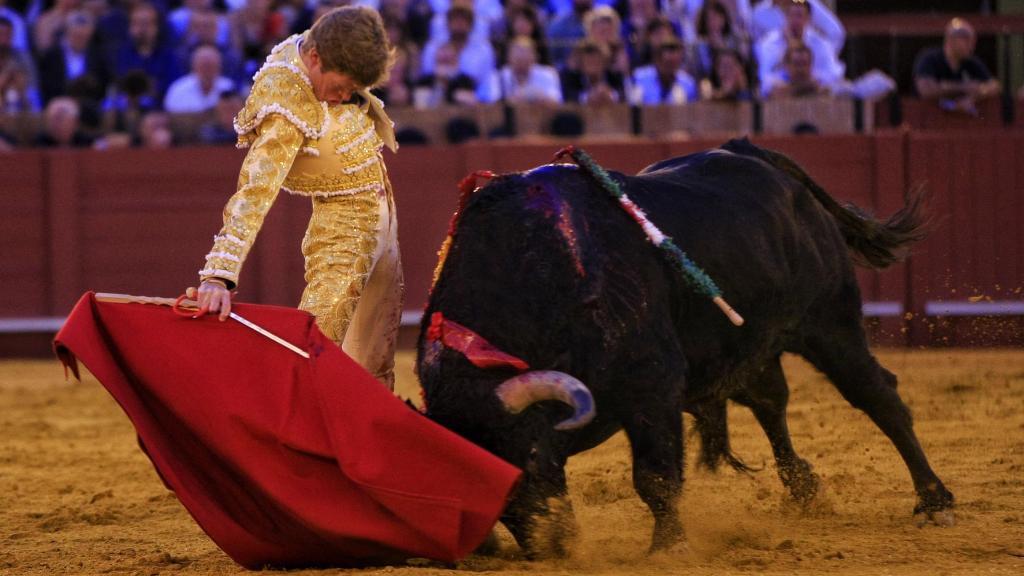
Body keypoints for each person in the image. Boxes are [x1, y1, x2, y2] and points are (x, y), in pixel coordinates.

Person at [195, 6, 403, 389]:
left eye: (353, 91)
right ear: (315, 59)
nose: (342, 99)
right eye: (340, 87)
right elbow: (256, 188)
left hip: (382, 211)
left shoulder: (326, 43)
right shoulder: (286, 101)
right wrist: (219, 275)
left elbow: (348, 26)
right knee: (312, 352)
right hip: (343, 227)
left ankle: (365, 446)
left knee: (374, 364)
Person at [913, 18, 1000, 115]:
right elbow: (926, 91)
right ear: (950, 39)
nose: (971, 46)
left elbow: (994, 86)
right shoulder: (930, 58)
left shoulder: (971, 62)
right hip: (927, 119)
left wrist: (973, 97)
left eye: (973, 41)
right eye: (966, 39)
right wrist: (964, 88)